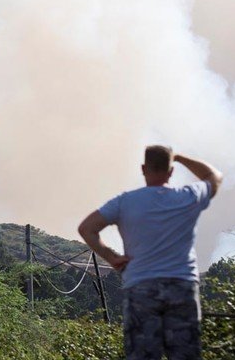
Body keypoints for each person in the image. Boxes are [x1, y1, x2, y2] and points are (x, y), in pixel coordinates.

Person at [78, 146, 222, 360]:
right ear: (171, 171)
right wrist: (180, 158)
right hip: (181, 286)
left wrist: (112, 257)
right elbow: (214, 177)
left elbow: (86, 228)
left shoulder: (125, 202)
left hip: (141, 286)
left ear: (143, 168)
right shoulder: (188, 196)